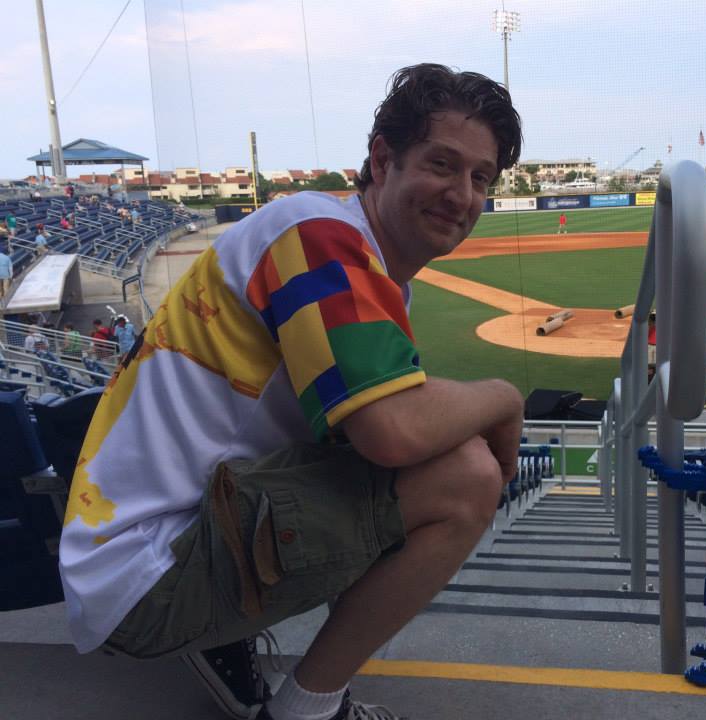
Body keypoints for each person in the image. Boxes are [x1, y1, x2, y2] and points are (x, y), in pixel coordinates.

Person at [59, 63, 523, 720]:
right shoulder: (317, 234)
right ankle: (307, 709)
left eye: (481, 178)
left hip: (138, 550)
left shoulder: (346, 250)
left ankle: (241, 642)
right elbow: (392, 432)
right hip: (150, 575)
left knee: (414, 448)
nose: (462, 194)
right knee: (467, 475)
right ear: (382, 160)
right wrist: (504, 397)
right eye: (443, 164)